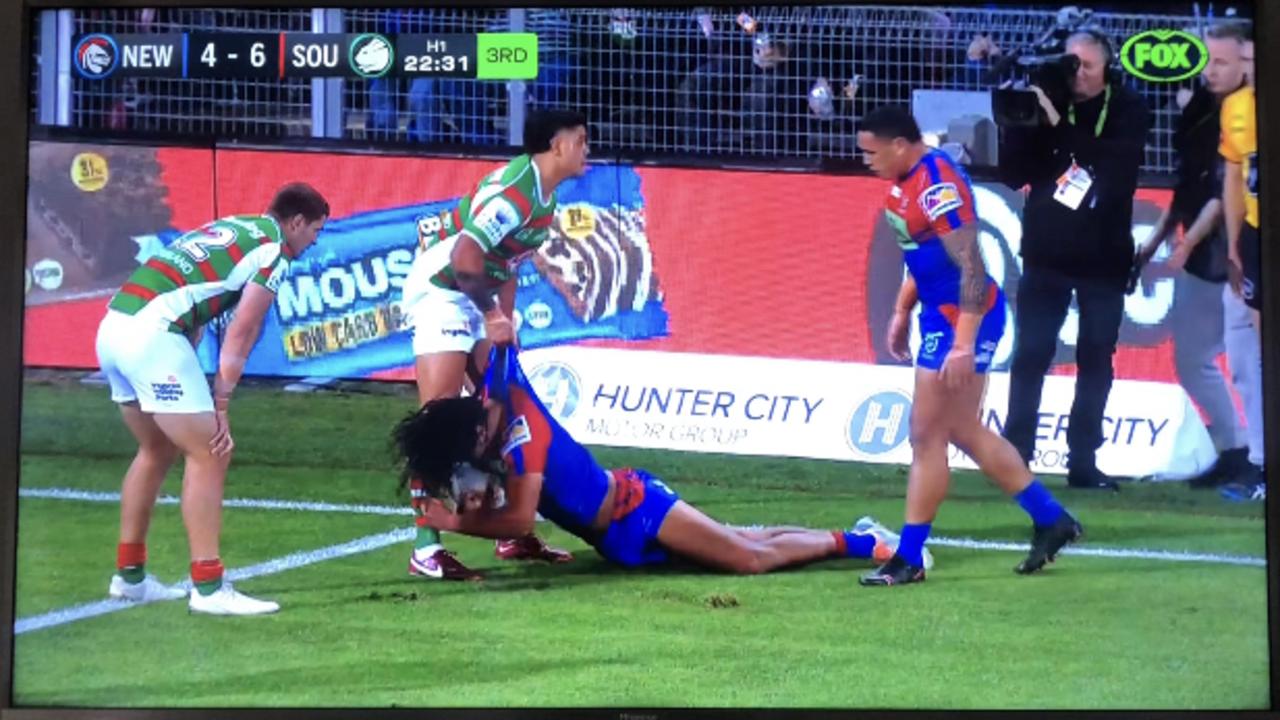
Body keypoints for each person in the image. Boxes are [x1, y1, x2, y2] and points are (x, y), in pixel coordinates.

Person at [390, 346, 926, 575]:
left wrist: (450, 522)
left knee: (748, 558)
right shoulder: (497, 404)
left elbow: (521, 518)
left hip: (636, 507)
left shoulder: (522, 433)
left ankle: (866, 543)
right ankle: (857, 535)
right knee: (746, 539)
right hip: (616, 542)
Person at [855, 105, 1082, 586]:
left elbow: (972, 268)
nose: (867, 161)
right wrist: (902, 309)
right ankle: (1050, 518)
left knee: (926, 435)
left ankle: (909, 557)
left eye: (872, 152)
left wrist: (963, 343)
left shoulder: (936, 188)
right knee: (959, 430)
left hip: (961, 316)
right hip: (943, 314)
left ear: (900, 145)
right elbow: (925, 257)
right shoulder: (907, 182)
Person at [95, 182, 329, 615]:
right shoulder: (274, 251)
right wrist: (221, 403)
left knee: (156, 448)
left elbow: (193, 297)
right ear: (295, 222)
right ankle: (208, 587)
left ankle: (129, 577)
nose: (314, 242)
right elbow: (243, 329)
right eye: (314, 231)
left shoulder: (235, 225)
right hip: (152, 337)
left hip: (113, 326)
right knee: (210, 452)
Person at [396, 108, 590, 579]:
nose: (588, 149)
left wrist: (504, 319)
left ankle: (509, 533)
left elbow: (507, 263)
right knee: (437, 421)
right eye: (582, 140)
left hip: (475, 297)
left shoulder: (544, 197)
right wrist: (491, 315)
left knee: (501, 411)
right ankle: (425, 548)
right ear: (556, 145)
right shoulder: (515, 194)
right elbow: (466, 259)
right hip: (444, 291)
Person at [998, 30, 1151, 490]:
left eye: (1085, 65)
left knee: (1096, 359)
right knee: (1030, 355)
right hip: (1046, 254)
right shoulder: (1047, 102)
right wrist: (1023, 123)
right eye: (1070, 64)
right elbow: (1014, 175)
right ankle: (1015, 456)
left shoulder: (1128, 109)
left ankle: (1083, 461)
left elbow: (1114, 171)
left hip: (1103, 259)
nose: (1076, 74)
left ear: (1107, 69)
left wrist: (1056, 122)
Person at [1134, 20, 1261, 491]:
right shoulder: (1205, 110)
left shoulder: (1241, 111)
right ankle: (1238, 449)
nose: (1210, 69)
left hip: (1230, 246)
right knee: (1203, 357)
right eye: (1207, 58)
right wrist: (1162, 237)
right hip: (1212, 244)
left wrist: (1189, 241)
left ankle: (1245, 452)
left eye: (1222, 60)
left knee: (1223, 358)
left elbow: (1220, 189)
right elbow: (1192, 185)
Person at [1218, 32, 1265, 503]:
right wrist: (1234, 241)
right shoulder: (1235, 107)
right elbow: (1234, 174)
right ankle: (1263, 463)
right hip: (1253, 233)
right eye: (1248, 58)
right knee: (1254, 356)